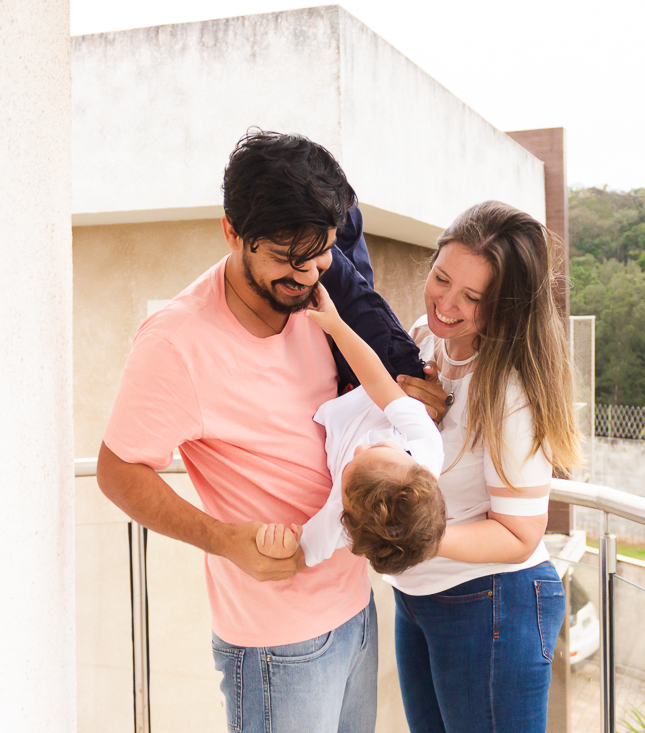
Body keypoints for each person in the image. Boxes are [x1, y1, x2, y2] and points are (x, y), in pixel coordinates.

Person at [96, 130, 444, 733]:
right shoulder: (174, 342)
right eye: (288, 258)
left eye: (323, 253)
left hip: (356, 608)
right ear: (232, 231)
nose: (309, 275)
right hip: (274, 644)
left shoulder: (320, 293)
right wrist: (226, 540)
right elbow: (117, 470)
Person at [387, 200, 584, 733]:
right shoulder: (426, 341)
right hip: (419, 595)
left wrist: (410, 538)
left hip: (495, 604)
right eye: (441, 278)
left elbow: (519, 533)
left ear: (505, 307)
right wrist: (413, 419)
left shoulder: (509, 388)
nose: (446, 303)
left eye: (472, 297)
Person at [255, 282, 447, 575]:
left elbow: (300, 554)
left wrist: (279, 546)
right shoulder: (425, 444)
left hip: (335, 396)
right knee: (347, 286)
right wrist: (335, 325)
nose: (361, 446)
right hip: (388, 375)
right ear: (418, 467)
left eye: (352, 465)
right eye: (380, 447)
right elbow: (377, 381)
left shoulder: (341, 515)